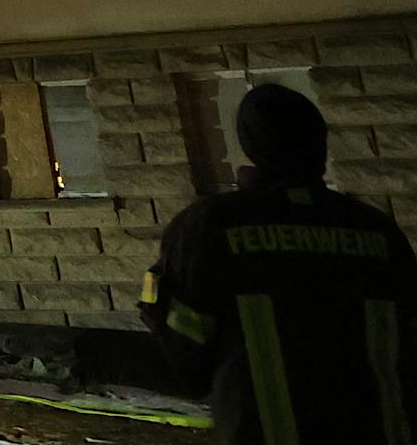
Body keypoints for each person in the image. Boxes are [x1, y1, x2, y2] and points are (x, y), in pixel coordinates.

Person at [140, 81, 417, 441]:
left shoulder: (210, 228)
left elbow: (184, 343)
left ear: (249, 146)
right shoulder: (375, 229)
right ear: (319, 143)